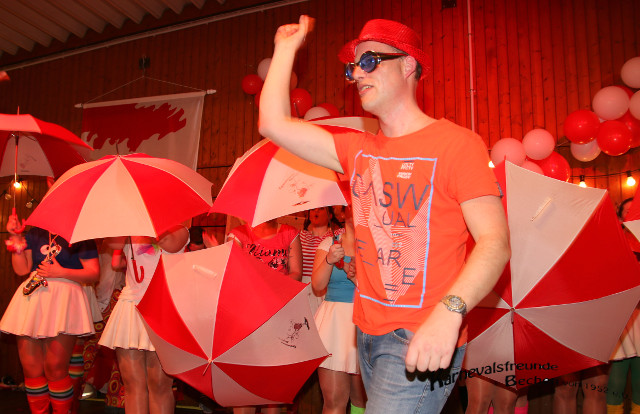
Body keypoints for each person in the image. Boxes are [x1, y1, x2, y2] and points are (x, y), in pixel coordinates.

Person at [258, 15, 510, 413]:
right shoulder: (357, 150)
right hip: (366, 332)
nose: (357, 74)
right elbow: (272, 123)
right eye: (352, 67)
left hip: (423, 332)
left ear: (408, 65)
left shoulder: (458, 145)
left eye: (369, 61)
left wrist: (449, 314)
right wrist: (285, 48)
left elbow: (495, 242)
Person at [0, 213, 99, 414]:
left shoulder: (80, 234)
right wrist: (16, 237)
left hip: (64, 298)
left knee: (55, 367)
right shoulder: (35, 232)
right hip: (33, 297)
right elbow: (21, 269)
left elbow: (93, 272)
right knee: (31, 368)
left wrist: (61, 272)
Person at [98, 226, 189, 414]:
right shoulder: (131, 226)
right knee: (132, 385)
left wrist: (145, 223)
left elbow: (170, 243)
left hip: (163, 305)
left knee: (159, 384)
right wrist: (125, 221)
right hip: (131, 305)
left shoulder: (179, 229)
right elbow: (112, 242)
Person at [227, 218, 302, 414]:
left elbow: (296, 274)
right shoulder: (238, 234)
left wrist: (268, 285)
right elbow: (234, 275)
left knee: (273, 381)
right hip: (247, 316)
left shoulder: (289, 233)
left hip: (278, 313)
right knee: (245, 380)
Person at [312, 205, 366, 414]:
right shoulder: (329, 244)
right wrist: (329, 260)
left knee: (362, 401)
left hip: (364, 321)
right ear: (342, 213)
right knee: (334, 400)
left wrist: (356, 278)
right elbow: (317, 285)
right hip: (333, 324)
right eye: (353, 205)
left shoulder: (376, 246)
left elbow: (384, 292)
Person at [607, 197, 640, 414]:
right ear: (620, 217)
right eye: (627, 211)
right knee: (616, 381)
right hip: (620, 318)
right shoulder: (613, 243)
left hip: (639, 316)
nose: (632, 215)